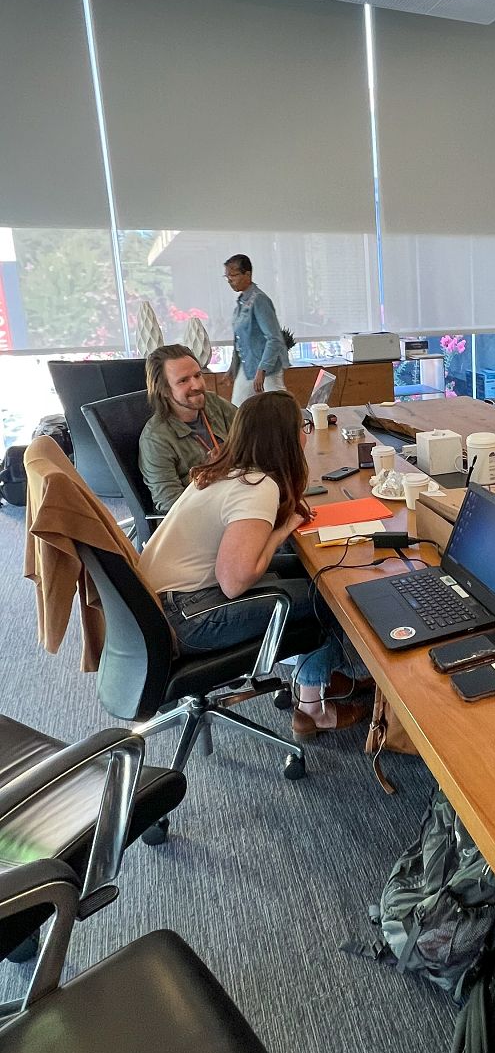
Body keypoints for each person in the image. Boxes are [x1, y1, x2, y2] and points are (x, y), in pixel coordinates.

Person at [139, 390, 371, 740]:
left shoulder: (225, 470)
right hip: (188, 618)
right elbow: (234, 581)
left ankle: (321, 676)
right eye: (302, 426)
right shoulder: (257, 486)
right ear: (284, 437)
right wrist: (282, 531)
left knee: (314, 572)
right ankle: (312, 710)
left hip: (165, 606)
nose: (306, 433)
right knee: (329, 594)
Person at [140, 344, 238, 512]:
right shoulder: (155, 439)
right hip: (206, 514)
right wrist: (206, 478)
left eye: (198, 375)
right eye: (183, 381)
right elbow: (169, 503)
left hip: (237, 494)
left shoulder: (213, 403)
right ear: (163, 390)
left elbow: (253, 438)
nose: (197, 385)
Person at [224, 254, 289, 404]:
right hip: (248, 366)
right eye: (227, 276)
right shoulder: (241, 301)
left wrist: (262, 369)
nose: (229, 280)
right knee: (238, 408)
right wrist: (233, 368)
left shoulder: (259, 300)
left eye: (233, 275)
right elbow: (239, 340)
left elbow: (274, 338)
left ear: (247, 275)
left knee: (280, 405)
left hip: (267, 369)